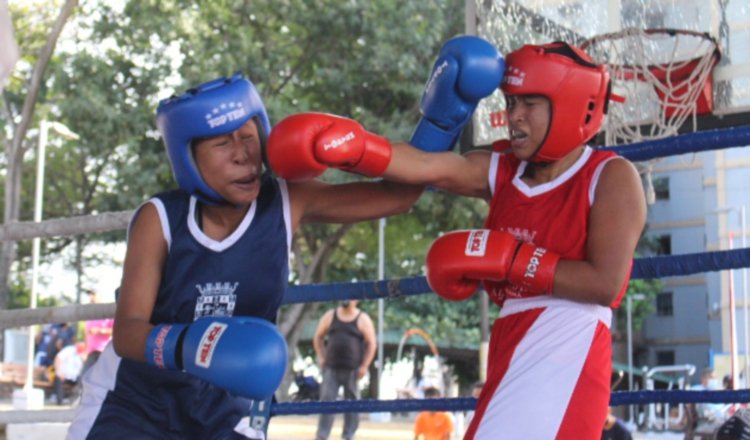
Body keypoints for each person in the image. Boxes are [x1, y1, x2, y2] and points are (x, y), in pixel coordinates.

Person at [65, 72, 434, 439]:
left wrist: (439, 116)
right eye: (223, 143)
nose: (243, 154)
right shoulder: (160, 218)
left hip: (223, 412)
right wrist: (194, 346)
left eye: (247, 136)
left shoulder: (288, 200)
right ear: (189, 156)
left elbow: (398, 196)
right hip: (133, 405)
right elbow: (128, 333)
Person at [352, 40, 645, 438]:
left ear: (572, 103)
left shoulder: (610, 176)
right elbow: (427, 166)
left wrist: (511, 259)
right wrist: (352, 147)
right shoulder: (504, 169)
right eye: (510, 103)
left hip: (568, 350)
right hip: (511, 343)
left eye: (529, 104)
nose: (514, 117)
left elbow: (605, 283)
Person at [313, 300, 376, 440]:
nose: (347, 299)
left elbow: (371, 343)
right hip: (331, 368)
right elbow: (318, 336)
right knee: (327, 402)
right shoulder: (330, 315)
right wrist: (321, 357)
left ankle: (349, 435)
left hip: (353, 369)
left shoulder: (363, 318)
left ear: (357, 300)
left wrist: (365, 366)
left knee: (352, 404)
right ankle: (322, 436)